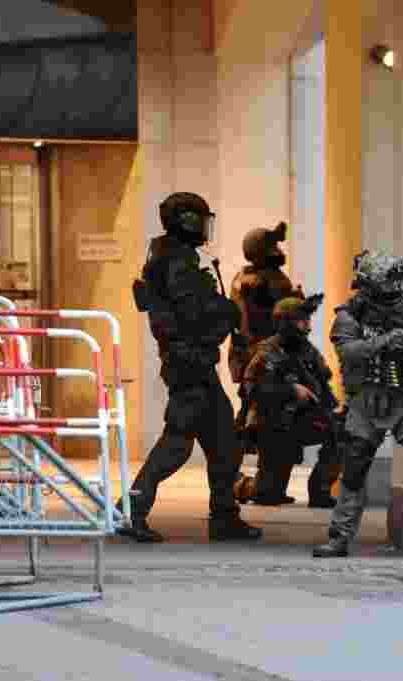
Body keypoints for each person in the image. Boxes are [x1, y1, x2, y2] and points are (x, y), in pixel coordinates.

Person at [119, 192, 262, 543]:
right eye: (200, 219)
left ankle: (225, 517)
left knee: (224, 442)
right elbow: (193, 314)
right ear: (187, 221)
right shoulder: (176, 260)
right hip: (188, 362)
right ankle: (130, 511)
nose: (204, 227)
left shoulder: (173, 256)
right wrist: (227, 312)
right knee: (177, 444)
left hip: (195, 361)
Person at [312, 250, 403, 561]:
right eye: (389, 278)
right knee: (353, 467)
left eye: (397, 278)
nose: (395, 285)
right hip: (366, 400)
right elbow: (348, 351)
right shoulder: (351, 314)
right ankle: (339, 537)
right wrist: (385, 342)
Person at [227, 222, 316, 506]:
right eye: (273, 246)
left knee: (255, 420)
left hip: (248, 356)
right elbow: (286, 317)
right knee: (269, 423)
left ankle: (251, 483)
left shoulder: (241, 277)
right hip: (269, 357)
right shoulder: (271, 280)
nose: (278, 251)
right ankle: (260, 487)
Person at [241, 294, 343, 507]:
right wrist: (290, 390)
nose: (307, 326)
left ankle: (320, 491)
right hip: (274, 425)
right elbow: (250, 388)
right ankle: (240, 485)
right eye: (301, 320)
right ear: (286, 323)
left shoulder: (308, 351)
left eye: (308, 320)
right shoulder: (268, 351)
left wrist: (332, 410)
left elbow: (323, 385)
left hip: (302, 419)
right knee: (268, 495)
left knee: (341, 430)